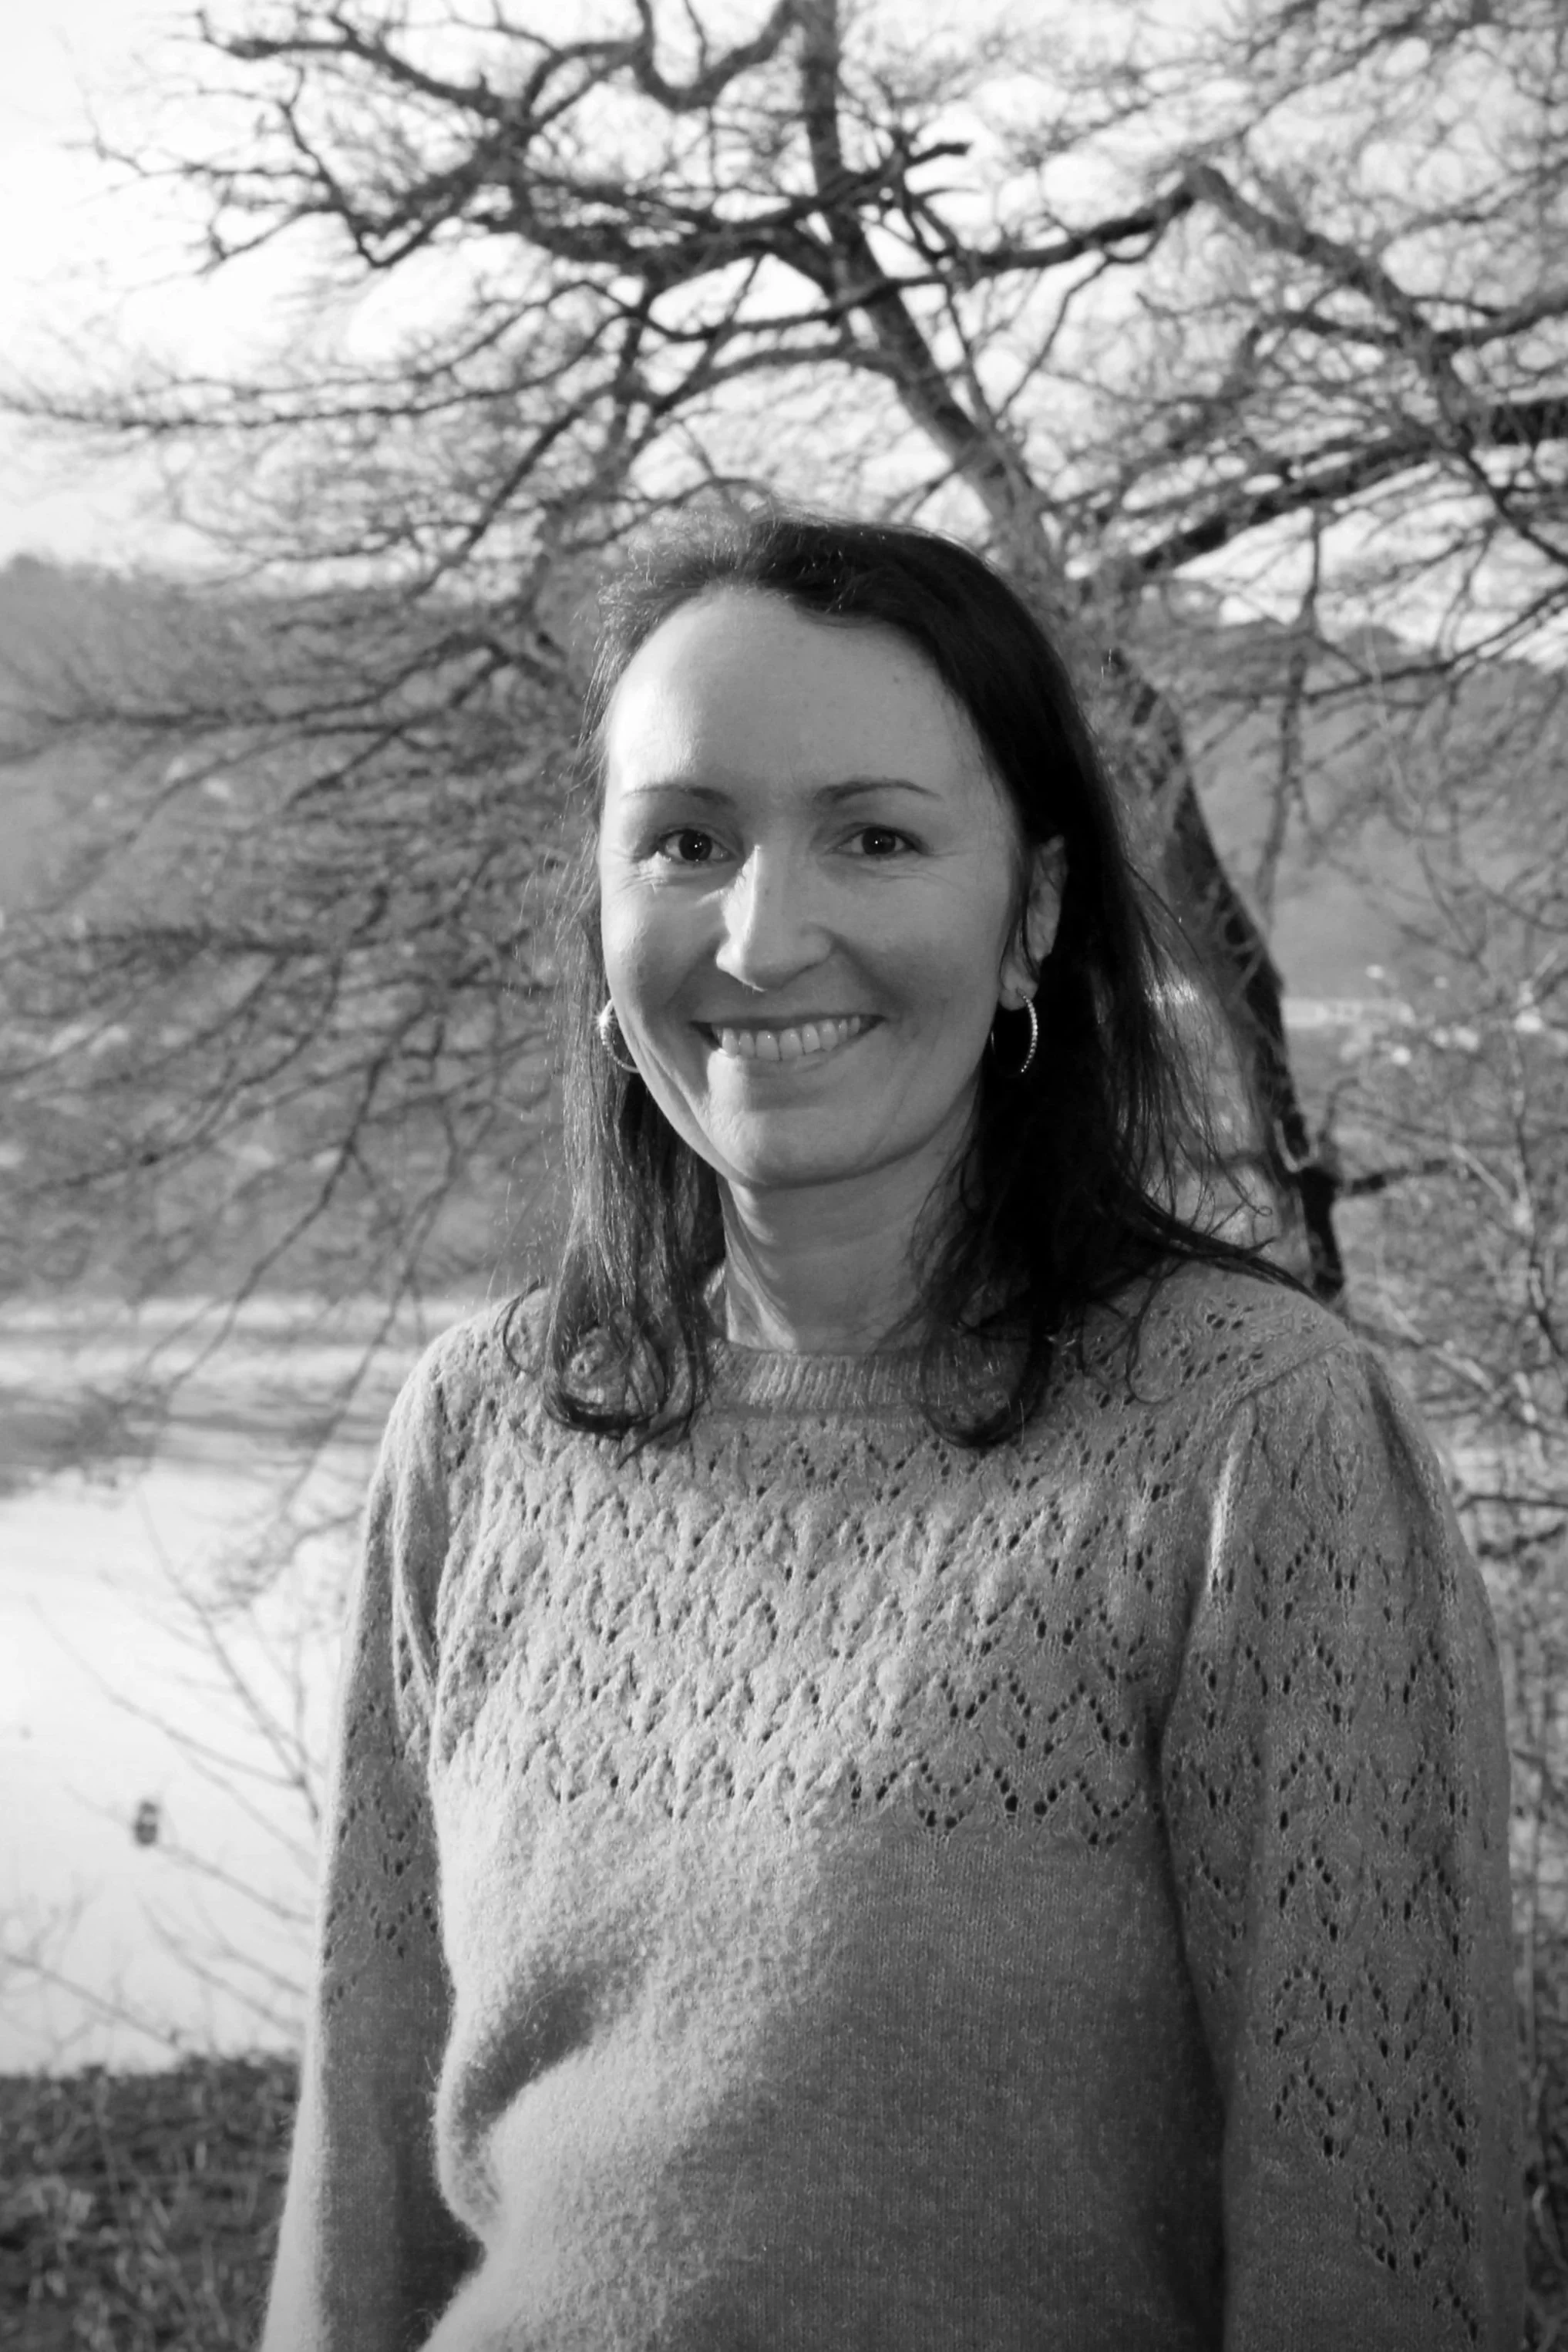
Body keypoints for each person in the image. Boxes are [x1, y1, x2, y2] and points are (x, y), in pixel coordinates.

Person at [261, 511, 1523, 2351]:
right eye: (685, 840)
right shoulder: (482, 1428)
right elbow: (359, 2206)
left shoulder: (1255, 1439)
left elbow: (1377, 2255)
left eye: (875, 836)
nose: (763, 934)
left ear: (1034, 913)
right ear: (601, 914)